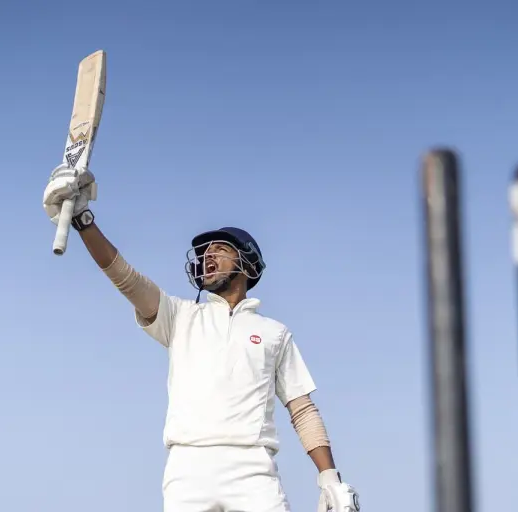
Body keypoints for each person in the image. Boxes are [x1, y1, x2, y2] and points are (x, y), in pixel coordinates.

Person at [43, 164, 360, 511]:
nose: (207, 256)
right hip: (188, 466)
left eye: (219, 250)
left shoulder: (274, 333)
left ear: (248, 264)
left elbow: (302, 410)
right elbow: (125, 277)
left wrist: (329, 478)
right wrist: (83, 220)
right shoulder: (180, 316)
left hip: (253, 469)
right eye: (204, 253)